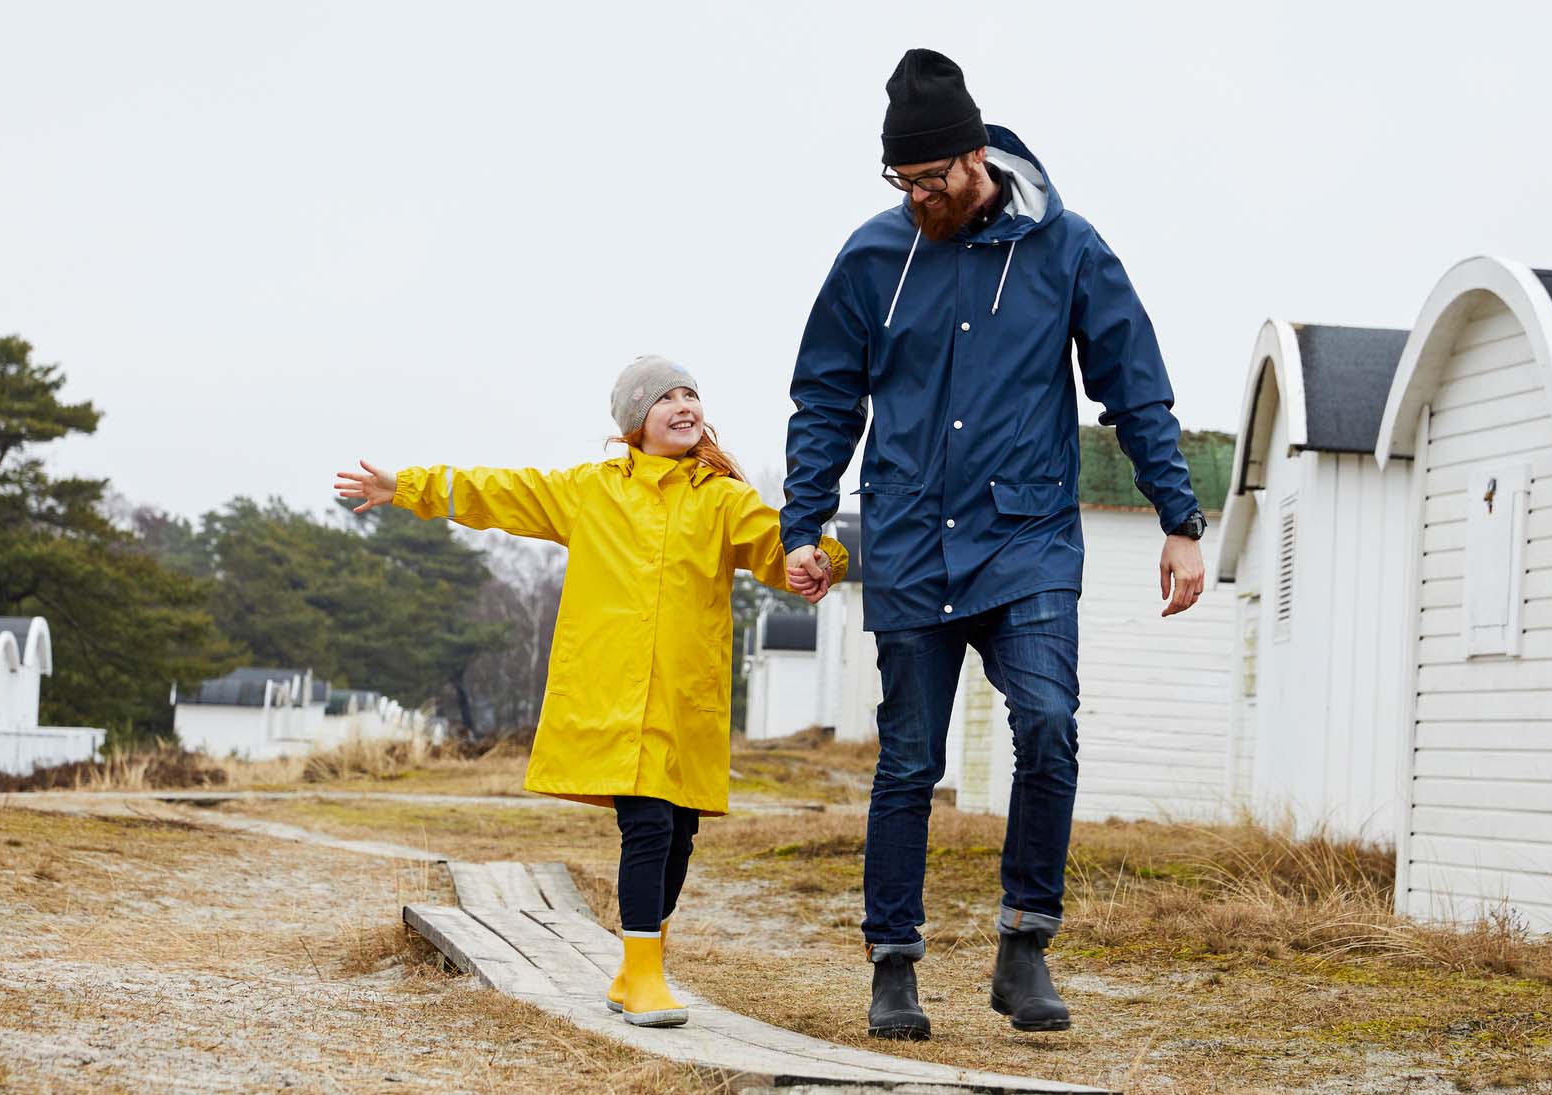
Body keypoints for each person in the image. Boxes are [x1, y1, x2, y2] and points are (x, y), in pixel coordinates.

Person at [778, 48, 1208, 1040]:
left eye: (930, 179)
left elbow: (1132, 387)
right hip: (908, 543)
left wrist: (1179, 520)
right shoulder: (872, 259)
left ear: (975, 157)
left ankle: (1024, 946)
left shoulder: (1065, 248)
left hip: (1026, 542)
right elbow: (824, 398)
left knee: (1049, 725)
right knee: (907, 763)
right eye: (903, 183)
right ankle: (893, 967)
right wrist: (805, 522)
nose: (917, 198)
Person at [336, 354, 847, 1028]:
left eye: (691, 393)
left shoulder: (722, 497)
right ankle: (642, 979)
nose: (684, 404)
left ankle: (639, 965)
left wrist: (819, 559)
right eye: (666, 396)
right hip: (610, 694)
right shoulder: (593, 490)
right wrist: (406, 486)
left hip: (684, 699)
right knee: (648, 824)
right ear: (637, 419)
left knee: (679, 836)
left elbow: (777, 551)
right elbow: (500, 492)